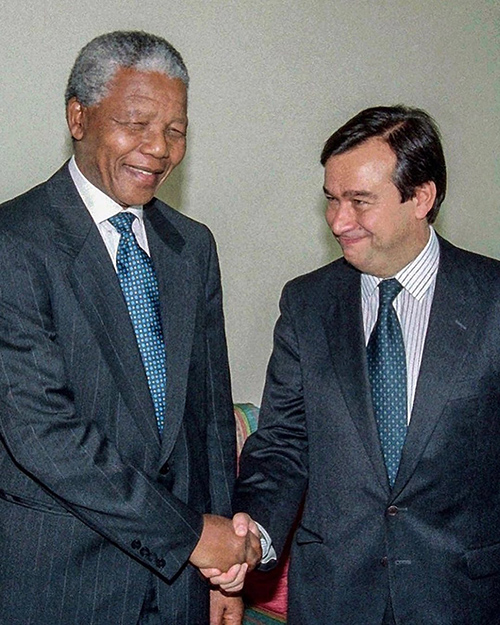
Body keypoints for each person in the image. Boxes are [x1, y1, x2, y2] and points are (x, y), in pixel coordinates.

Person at [0, 30, 260, 625]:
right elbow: (43, 432)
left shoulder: (192, 246)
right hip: (60, 584)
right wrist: (193, 536)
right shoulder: (14, 243)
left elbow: (211, 418)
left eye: (176, 130)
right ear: (78, 116)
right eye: (136, 123)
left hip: (180, 590)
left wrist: (225, 572)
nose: (159, 149)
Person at [222, 105, 500, 624]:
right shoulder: (307, 304)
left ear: (421, 197)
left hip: (465, 598)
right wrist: (254, 532)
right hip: (335, 597)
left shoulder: (491, 300)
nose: (338, 221)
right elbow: (284, 441)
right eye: (331, 199)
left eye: (359, 201)